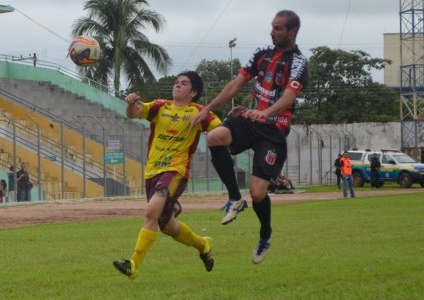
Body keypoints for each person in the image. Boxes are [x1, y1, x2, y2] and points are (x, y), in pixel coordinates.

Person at [191, 10, 309, 264]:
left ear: (292, 31)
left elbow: (288, 98)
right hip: (251, 120)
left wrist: (264, 113)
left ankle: (265, 233)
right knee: (214, 137)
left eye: (278, 28)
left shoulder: (299, 64)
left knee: (258, 194)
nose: (272, 31)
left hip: (273, 131)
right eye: (272, 26)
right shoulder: (262, 52)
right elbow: (236, 84)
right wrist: (207, 110)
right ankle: (235, 197)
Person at [112, 71, 221, 280]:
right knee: (168, 227)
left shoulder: (199, 112)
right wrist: (130, 103)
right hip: (152, 170)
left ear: (194, 92)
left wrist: (235, 122)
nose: (178, 85)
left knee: (151, 211)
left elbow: (221, 129)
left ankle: (133, 264)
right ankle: (203, 244)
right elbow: (133, 113)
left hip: (175, 171)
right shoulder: (160, 106)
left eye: (184, 83)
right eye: (177, 82)